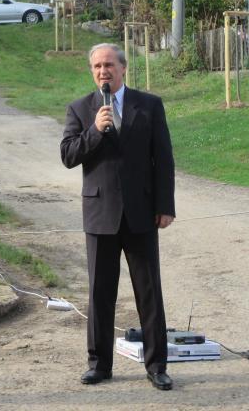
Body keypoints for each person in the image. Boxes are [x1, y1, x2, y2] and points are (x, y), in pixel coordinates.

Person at [60, 43, 176, 391]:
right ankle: (99, 364)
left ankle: (157, 366)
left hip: (141, 213)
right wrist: (95, 130)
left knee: (149, 292)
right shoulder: (80, 109)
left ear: (123, 68)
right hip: (101, 214)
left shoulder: (149, 105)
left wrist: (165, 205)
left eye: (109, 64)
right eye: (97, 66)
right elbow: (68, 155)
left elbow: (163, 158)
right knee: (100, 293)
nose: (103, 71)